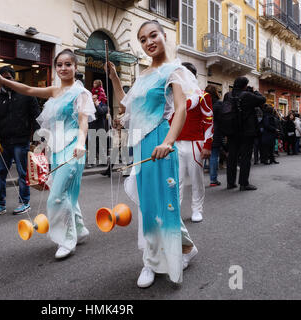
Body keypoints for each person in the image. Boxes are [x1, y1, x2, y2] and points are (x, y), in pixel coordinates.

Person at [107, 20, 200, 288]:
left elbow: (180, 109)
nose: (149, 42)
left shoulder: (175, 70)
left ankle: (160, 260)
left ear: (164, 36)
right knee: (148, 205)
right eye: (143, 39)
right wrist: (114, 78)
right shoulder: (144, 74)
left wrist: (169, 142)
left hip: (161, 142)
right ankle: (159, 257)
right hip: (141, 146)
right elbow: (128, 106)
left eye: (153, 35)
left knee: (165, 204)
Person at [0, 49, 96, 259]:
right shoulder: (55, 91)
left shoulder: (81, 93)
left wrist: (82, 143)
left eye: (68, 64)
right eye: (59, 65)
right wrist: (4, 81)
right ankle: (80, 229)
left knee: (56, 197)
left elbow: (83, 121)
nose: (63, 68)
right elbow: (28, 89)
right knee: (66, 194)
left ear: (76, 67)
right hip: (55, 151)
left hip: (74, 148)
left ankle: (67, 239)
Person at [0, 66, 41, 217]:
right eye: (2, 78)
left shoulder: (26, 94)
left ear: (13, 78)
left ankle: (24, 202)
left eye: (8, 78)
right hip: (3, 142)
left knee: (22, 172)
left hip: (21, 140)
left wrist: (37, 137)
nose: (6, 82)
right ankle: (0, 204)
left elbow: (36, 116)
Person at [175, 62, 213, 223]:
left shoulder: (203, 96)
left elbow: (209, 120)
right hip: (176, 143)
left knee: (196, 179)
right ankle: (174, 211)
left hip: (195, 143)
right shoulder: (174, 97)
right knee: (176, 181)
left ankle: (197, 209)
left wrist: (207, 145)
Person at [223, 78, 266, 191]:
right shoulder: (247, 95)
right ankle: (243, 183)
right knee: (245, 157)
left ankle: (230, 183)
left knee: (232, 157)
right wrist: (255, 91)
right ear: (245, 86)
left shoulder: (228, 95)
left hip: (232, 131)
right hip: (247, 131)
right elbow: (263, 99)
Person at [205, 85, 222, 187]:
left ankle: (197, 179)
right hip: (215, 131)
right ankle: (213, 180)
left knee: (200, 156)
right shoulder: (218, 104)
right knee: (214, 156)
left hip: (203, 131)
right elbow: (221, 119)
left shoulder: (202, 101)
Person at [85, 94, 108, 169]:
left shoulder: (104, 105)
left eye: (94, 98)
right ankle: (91, 162)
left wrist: (97, 105)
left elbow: (101, 112)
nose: (93, 100)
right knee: (92, 145)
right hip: (92, 127)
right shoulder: (90, 106)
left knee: (101, 145)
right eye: (92, 98)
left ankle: (103, 162)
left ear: (98, 99)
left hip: (100, 128)